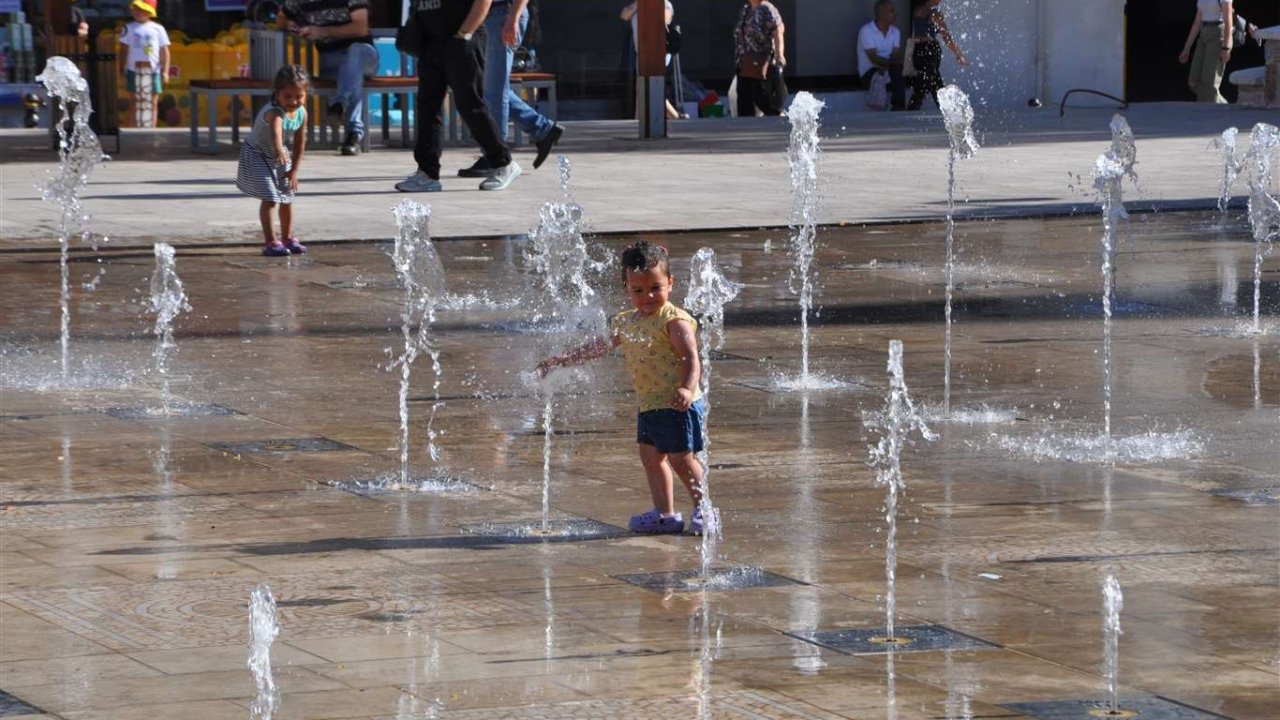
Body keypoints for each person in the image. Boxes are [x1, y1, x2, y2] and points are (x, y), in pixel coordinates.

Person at [536, 241, 709, 535]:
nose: (648, 296)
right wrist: (561, 360)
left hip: (679, 402)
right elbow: (598, 347)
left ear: (670, 282)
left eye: (655, 288)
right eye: (638, 291)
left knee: (682, 458)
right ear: (627, 289)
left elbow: (691, 358)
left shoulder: (674, 320)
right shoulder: (625, 322)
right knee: (651, 457)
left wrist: (686, 388)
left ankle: (705, 509)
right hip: (651, 404)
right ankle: (665, 514)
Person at [394, 0, 521, 193]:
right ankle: (427, 173)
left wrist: (464, 34)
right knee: (427, 106)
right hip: (430, 41)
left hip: (462, 38)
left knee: (470, 104)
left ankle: (503, 163)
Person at [456, 0, 563, 179]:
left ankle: (496, 156)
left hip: (503, 13)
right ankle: (542, 129)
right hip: (485, 15)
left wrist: (512, 18)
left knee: (494, 92)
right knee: (486, 88)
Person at [279, 0, 378, 156]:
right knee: (352, 77)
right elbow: (282, 18)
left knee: (355, 53)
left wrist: (323, 31)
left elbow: (361, 27)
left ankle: (340, 104)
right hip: (331, 61)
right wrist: (295, 26)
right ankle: (352, 134)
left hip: (363, 55)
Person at [236, 65, 310, 257]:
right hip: (257, 154)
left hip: (279, 155)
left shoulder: (302, 113)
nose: (293, 101)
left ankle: (287, 237)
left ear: (305, 94)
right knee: (270, 198)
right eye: (287, 96)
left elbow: (301, 140)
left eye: (298, 96)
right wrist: (278, 149)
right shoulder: (275, 112)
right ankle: (270, 241)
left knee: (287, 197)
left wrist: (294, 170)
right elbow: (277, 132)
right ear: (277, 94)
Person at [620, 1, 684, 120]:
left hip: (658, 53)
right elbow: (624, 15)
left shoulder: (664, 4)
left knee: (651, 88)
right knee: (643, 89)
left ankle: (675, 117)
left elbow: (665, 19)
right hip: (642, 54)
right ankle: (640, 120)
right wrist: (639, 4)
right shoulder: (638, 6)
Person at [117, 0, 170, 128]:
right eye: (135, 8)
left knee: (152, 101)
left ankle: (151, 129)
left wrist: (165, 71)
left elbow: (164, 51)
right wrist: (121, 68)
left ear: (149, 12)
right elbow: (123, 49)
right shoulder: (128, 28)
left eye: (140, 9)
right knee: (134, 101)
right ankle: (133, 129)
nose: (137, 12)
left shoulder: (158, 29)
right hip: (134, 69)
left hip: (153, 70)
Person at [907, 0, 965, 111]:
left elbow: (946, 36)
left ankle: (917, 106)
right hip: (924, 49)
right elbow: (946, 37)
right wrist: (958, 54)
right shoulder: (932, 14)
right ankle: (943, 107)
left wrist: (958, 53)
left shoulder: (930, 13)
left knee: (931, 77)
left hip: (926, 49)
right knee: (931, 78)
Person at [733, 0, 786, 118]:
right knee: (743, 97)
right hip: (743, 62)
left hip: (760, 61)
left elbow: (778, 32)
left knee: (761, 96)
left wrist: (779, 55)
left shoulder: (767, 9)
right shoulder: (746, 9)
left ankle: (776, 116)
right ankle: (745, 126)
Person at [1179, 0, 1235, 104]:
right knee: (1194, 81)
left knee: (1209, 85)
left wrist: (1226, 47)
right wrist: (1187, 48)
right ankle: (1221, 106)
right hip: (1203, 34)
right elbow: (1197, 22)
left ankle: (1215, 112)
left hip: (1217, 34)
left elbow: (1228, 22)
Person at [857, 0, 905, 111]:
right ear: (882, 13)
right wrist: (894, 64)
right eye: (892, 11)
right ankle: (898, 109)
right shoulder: (866, 31)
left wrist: (896, 63)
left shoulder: (895, 32)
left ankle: (898, 108)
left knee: (899, 72)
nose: (896, 14)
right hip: (869, 72)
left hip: (889, 68)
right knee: (897, 71)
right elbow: (873, 58)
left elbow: (895, 55)